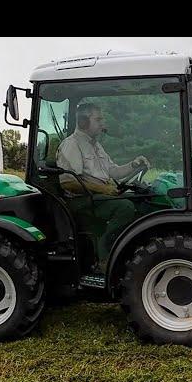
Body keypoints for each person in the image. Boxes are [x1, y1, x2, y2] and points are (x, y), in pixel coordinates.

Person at [55, 102, 151, 270]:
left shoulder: (96, 145)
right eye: (98, 120)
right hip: (81, 200)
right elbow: (68, 182)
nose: (102, 124)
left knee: (142, 201)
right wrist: (104, 189)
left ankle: (135, 256)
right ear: (84, 122)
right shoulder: (72, 144)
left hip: (99, 197)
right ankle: (105, 257)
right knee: (125, 207)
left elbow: (113, 171)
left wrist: (134, 164)